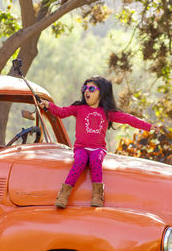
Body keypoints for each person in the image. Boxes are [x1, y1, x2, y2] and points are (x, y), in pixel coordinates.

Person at [39, 76, 159, 209]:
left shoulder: (107, 112)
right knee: (80, 160)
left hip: (98, 148)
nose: (86, 91)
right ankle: (63, 194)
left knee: (96, 160)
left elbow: (128, 119)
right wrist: (49, 105)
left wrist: (148, 126)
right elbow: (61, 112)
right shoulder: (78, 108)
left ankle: (97, 195)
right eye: (85, 88)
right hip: (81, 148)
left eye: (91, 89)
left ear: (101, 93)